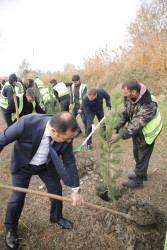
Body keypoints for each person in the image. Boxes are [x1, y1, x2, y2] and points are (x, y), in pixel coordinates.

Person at [0, 112, 84, 249]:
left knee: (56, 189)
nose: (70, 141)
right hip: (23, 165)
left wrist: (76, 190)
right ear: (53, 131)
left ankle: (56, 217)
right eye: (66, 138)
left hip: (46, 165)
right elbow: (1, 140)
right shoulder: (26, 123)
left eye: (71, 138)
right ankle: (11, 228)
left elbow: (69, 161)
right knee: (17, 197)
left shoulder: (67, 134)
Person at [110, 79, 162, 189]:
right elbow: (123, 113)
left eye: (126, 93)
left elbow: (137, 123)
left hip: (148, 133)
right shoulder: (130, 98)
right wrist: (116, 128)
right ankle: (142, 175)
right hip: (137, 131)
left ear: (133, 92)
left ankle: (139, 182)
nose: (124, 95)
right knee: (136, 153)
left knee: (142, 156)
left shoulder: (149, 103)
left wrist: (119, 135)